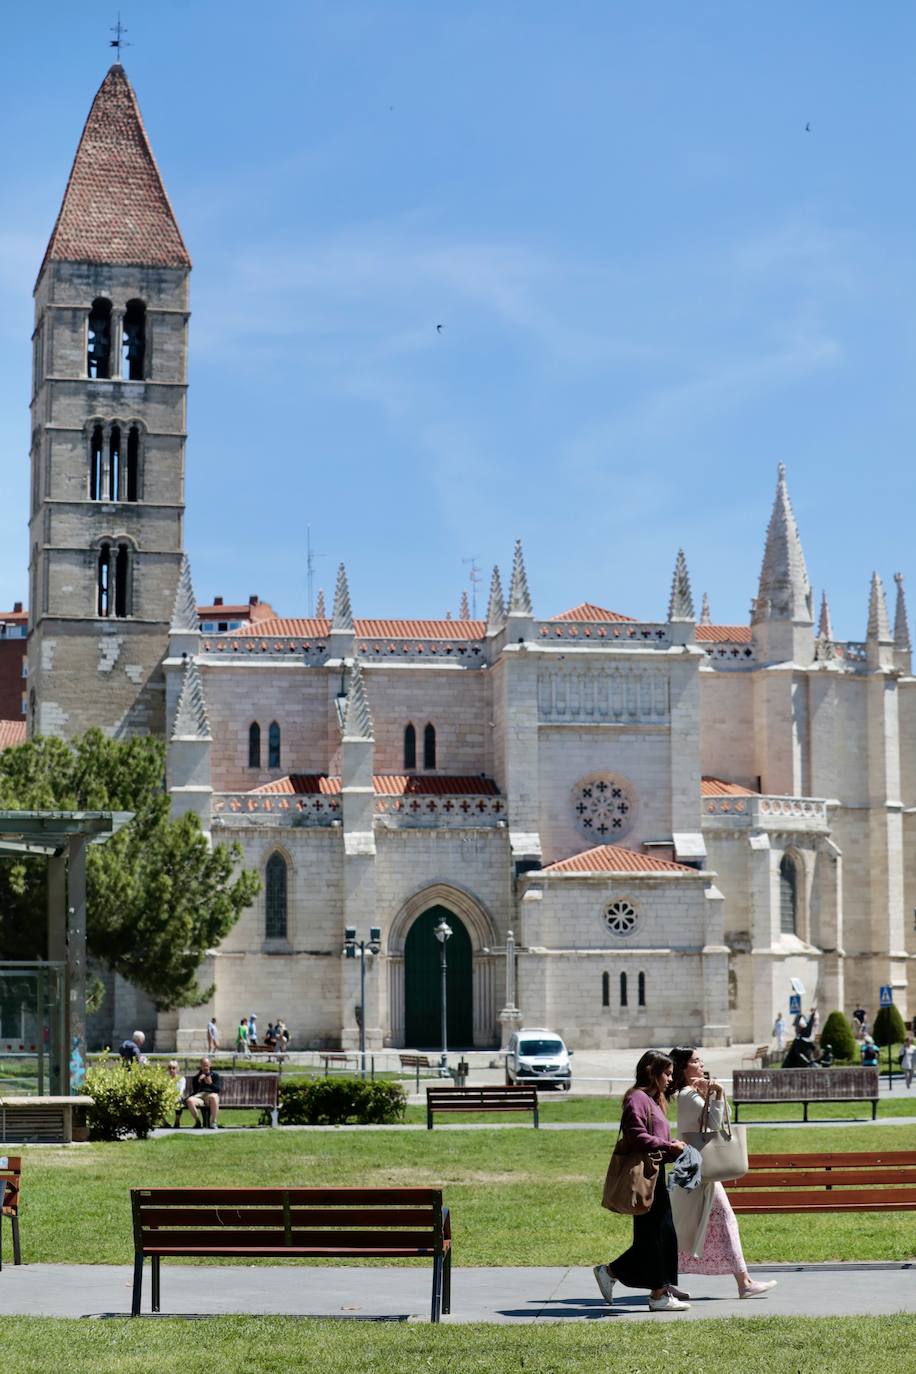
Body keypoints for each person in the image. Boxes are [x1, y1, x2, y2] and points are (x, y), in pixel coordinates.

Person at [666, 1047, 777, 1300]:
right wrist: (717, 1093)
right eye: (695, 1061)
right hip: (697, 1171)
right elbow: (714, 1125)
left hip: (698, 1170)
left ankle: (743, 1281)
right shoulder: (686, 1095)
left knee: (695, 1226)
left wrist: (711, 1094)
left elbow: (712, 1120)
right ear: (683, 1068)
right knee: (685, 1228)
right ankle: (744, 1282)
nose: (701, 1064)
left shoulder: (691, 1094)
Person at [592, 1050, 689, 1312]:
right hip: (644, 1177)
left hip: (655, 1175)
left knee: (660, 1235)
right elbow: (635, 1135)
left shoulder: (655, 1100)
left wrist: (672, 1150)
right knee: (655, 1236)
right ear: (651, 1072)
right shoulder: (637, 1098)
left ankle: (652, 1286)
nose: (670, 1079)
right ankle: (655, 1293)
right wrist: (669, 1145)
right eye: (666, 1074)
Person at [185, 1057, 221, 1129]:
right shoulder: (196, 1077)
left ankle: (213, 1122)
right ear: (200, 1066)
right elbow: (195, 1092)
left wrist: (210, 1083)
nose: (205, 1067)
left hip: (210, 1095)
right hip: (200, 1096)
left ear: (210, 1065)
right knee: (189, 1100)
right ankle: (197, 1122)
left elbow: (218, 1090)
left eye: (207, 1065)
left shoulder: (215, 1075)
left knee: (213, 1097)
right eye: (203, 1065)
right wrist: (199, 1082)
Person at [166, 1060, 187, 1128]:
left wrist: (174, 1097)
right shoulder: (166, 1079)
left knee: (178, 1102)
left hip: (178, 1097)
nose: (171, 1070)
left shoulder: (181, 1079)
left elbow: (181, 1091)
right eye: (170, 1068)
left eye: (173, 1068)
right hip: (168, 1098)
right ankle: (164, 1123)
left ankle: (177, 1122)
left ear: (177, 1069)